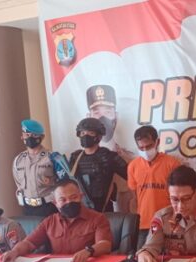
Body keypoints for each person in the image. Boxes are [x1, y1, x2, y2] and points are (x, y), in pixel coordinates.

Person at [0, 179, 113, 262]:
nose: (69, 202)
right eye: (62, 200)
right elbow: (29, 243)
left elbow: (105, 244)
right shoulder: (49, 222)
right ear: (55, 203)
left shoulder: (98, 218)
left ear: (81, 197)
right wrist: (15, 251)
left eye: (74, 197)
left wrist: (89, 251)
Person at [128, 125, 181, 249]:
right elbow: (134, 198)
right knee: (141, 258)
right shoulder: (133, 166)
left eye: (149, 146)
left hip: (168, 223)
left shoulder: (172, 163)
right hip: (143, 225)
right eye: (141, 147)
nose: (145, 150)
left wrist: (177, 220)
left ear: (157, 142)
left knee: (171, 258)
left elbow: (180, 196)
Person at [86, 84, 135, 213]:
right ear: (88, 117)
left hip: (122, 221)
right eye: (96, 113)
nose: (102, 118)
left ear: (116, 116)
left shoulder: (130, 160)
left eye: (108, 112)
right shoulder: (80, 159)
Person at [65, 117, 128, 213]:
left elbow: (131, 175)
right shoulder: (75, 157)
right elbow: (68, 182)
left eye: (91, 133)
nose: (85, 136)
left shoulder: (109, 156)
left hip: (104, 209)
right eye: (83, 133)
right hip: (81, 209)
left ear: (99, 136)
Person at [12, 119, 66, 217]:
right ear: (22, 136)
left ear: (42, 137)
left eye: (34, 135)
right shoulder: (18, 160)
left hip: (49, 206)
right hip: (28, 208)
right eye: (27, 135)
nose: (30, 138)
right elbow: (19, 184)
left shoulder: (53, 157)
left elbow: (65, 182)